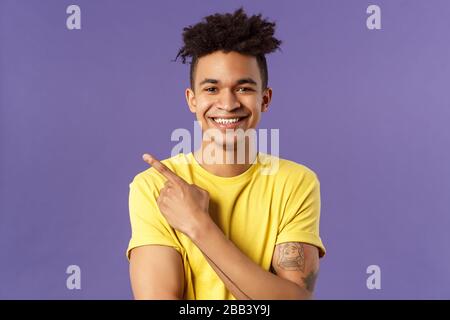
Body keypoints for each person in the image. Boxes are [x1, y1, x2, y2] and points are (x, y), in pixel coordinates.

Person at [126, 7, 326, 300]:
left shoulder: (295, 182)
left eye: (243, 88)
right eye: (211, 88)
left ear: (265, 99)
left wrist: (198, 224)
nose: (228, 103)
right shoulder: (154, 187)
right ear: (192, 100)